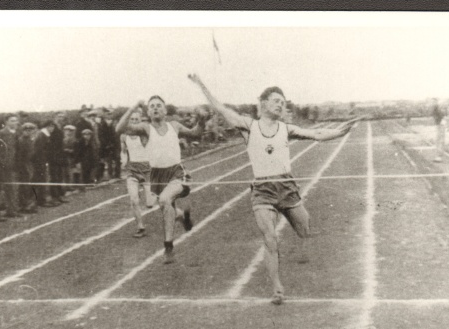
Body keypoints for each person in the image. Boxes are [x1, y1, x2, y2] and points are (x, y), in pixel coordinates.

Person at [189, 74, 357, 304]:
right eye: (277, 100)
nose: (281, 105)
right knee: (269, 237)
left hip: (286, 186)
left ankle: (291, 250)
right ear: (264, 103)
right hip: (263, 189)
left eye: (283, 102)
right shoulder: (248, 126)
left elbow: (317, 134)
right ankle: (277, 288)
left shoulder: (286, 128)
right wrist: (201, 85)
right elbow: (219, 107)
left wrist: (340, 132)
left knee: (305, 230)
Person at [117, 96, 201, 263]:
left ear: (165, 110)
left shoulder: (174, 126)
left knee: (164, 200)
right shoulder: (145, 128)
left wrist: (202, 119)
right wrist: (133, 105)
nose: (155, 108)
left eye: (158, 106)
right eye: (152, 106)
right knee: (165, 206)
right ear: (148, 112)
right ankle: (183, 216)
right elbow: (120, 128)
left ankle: (168, 247)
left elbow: (195, 133)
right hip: (156, 175)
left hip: (176, 172)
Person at [116, 110, 157, 238]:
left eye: (136, 120)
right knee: (134, 200)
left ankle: (156, 195)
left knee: (150, 204)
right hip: (132, 169)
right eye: (132, 120)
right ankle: (140, 227)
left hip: (146, 169)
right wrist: (123, 161)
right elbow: (123, 151)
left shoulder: (144, 134)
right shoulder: (124, 135)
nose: (134, 122)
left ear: (140, 122)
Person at [0, 114, 22, 217]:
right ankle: (9, 210)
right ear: (6, 122)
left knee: (12, 188)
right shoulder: (1, 133)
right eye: (12, 121)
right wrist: (1, 162)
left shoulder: (17, 133)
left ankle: (12, 209)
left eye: (15, 121)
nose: (14, 123)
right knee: (6, 188)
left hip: (14, 164)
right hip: (3, 165)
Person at [31, 120, 57, 208]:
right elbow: (39, 150)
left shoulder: (45, 135)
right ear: (46, 127)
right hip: (40, 162)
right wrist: (43, 161)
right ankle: (40, 200)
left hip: (42, 161)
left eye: (53, 126)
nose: (52, 128)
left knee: (42, 180)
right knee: (41, 180)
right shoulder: (42, 135)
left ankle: (42, 199)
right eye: (50, 126)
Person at [16, 122, 38, 213]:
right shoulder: (21, 140)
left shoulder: (30, 140)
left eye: (30, 130)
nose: (28, 132)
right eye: (26, 130)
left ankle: (27, 203)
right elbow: (20, 155)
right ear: (23, 131)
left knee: (28, 184)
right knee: (24, 185)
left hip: (29, 164)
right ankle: (24, 204)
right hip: (24, 165)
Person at [48, 112, 69, 205]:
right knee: (54, 177)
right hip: (53, 156)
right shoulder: (52, 128)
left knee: (60, 176)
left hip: (60, 155)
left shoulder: (60, 127)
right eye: (59, 116)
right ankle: (54, 197)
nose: (61, 118)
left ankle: (59, 195)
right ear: (55, 117)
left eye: (62, 117)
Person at [431, 98, 445, 163]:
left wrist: (440, 123)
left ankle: (439, 156)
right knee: (438, 140)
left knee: (439, 140)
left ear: (436, 101)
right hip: (439, 124)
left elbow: (442, 115)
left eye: (434, 101)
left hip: (440, 124)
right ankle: (438, 156)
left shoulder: (437, 107)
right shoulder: (435, 108)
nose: (432, 102)